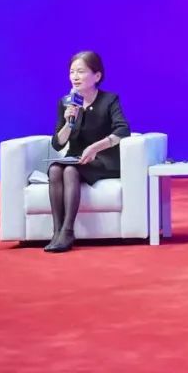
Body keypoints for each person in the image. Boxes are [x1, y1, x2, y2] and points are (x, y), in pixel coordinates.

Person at [43, 51, 131, 253]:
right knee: (55, 169)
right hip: (76, 158)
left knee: (69, 170)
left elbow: (123, 130)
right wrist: (68, 123)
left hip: (103, 159)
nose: (75, 77)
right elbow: (57, 144)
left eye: (81, 72)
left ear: (97, 76)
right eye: (72, 72)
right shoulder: (65, 102)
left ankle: (67, 231)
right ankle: (56, 232)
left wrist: (95, 147)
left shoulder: (109, 100)